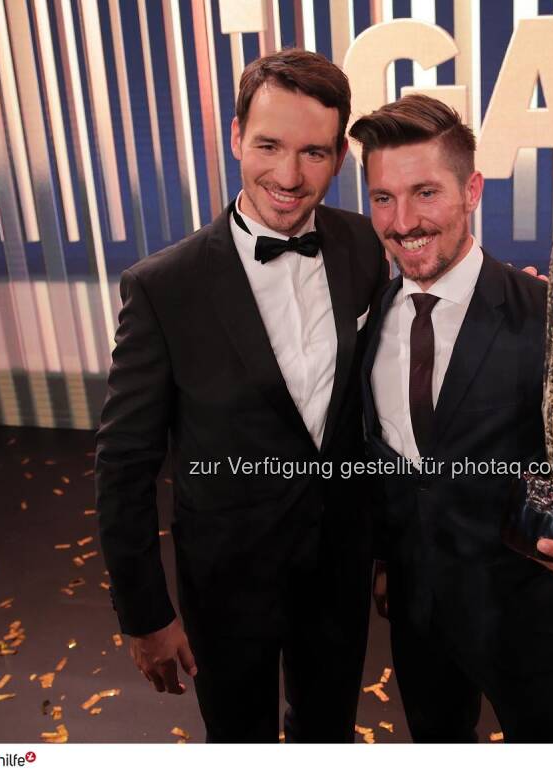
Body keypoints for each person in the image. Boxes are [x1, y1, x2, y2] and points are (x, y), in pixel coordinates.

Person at [95, 49, 388, 743]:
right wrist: (144, 614)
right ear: (234, 137)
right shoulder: (162, 287)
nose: (289, 177)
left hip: (339, 568)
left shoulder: (366, 246)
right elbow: (125, 463)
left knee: (329, 735)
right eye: (268, 145)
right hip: (227, 579)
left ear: (341, 156)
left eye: (314, 152)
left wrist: (386, 551)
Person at [350, 95, 553, 743]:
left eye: (425, 192)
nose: (402, 222)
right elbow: (392, 460)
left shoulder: (546, 313)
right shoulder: (374, 311)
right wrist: (385, 558)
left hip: (528, 622)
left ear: (473, 191)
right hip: (417, 615)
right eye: (382, 197)